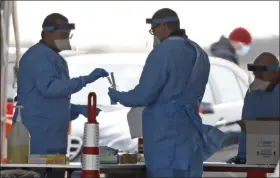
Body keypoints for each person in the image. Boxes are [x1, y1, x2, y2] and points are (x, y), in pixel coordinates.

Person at [108, 8, 224, 178]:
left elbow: (142, 95)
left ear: (162, 26)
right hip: (190, 137)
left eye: (153, 30)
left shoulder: (163, 52)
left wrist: (118, 95)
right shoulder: (200, 54)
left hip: (165, 139)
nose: (153, 34)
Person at [13, 13, 108, 177]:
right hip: (37, 136)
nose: (66, 38)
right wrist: (86, 79)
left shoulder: (53, 58)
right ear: (47, 33)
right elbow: (51, 88)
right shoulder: (37, 56)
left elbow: (52, 102)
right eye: (62, 34)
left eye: (67, 35)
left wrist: (75, 109)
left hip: (53, 137)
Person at [228, 52, 280, 164]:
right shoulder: (253, 93)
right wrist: (242, 155)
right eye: (255, 75)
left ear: (275, 72)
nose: (257, 79)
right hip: (257, 156)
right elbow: (247, 126)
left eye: (260, 75)